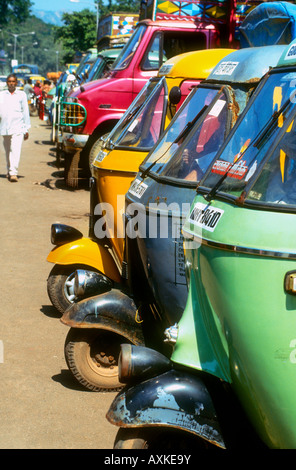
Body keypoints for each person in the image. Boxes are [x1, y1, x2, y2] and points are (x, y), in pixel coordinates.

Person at [0, 73, 30, 182]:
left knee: (15, 149)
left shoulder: (21, 95)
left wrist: (26, 129)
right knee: (8, 150)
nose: (11, 84)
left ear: (16, 83)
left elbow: (25, 112)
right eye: (9, 82)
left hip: (18, 126)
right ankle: (9, 169)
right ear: (7, 83)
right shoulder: (2, 95)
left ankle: (13, 173)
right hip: (5, 127)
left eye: (13, 82)